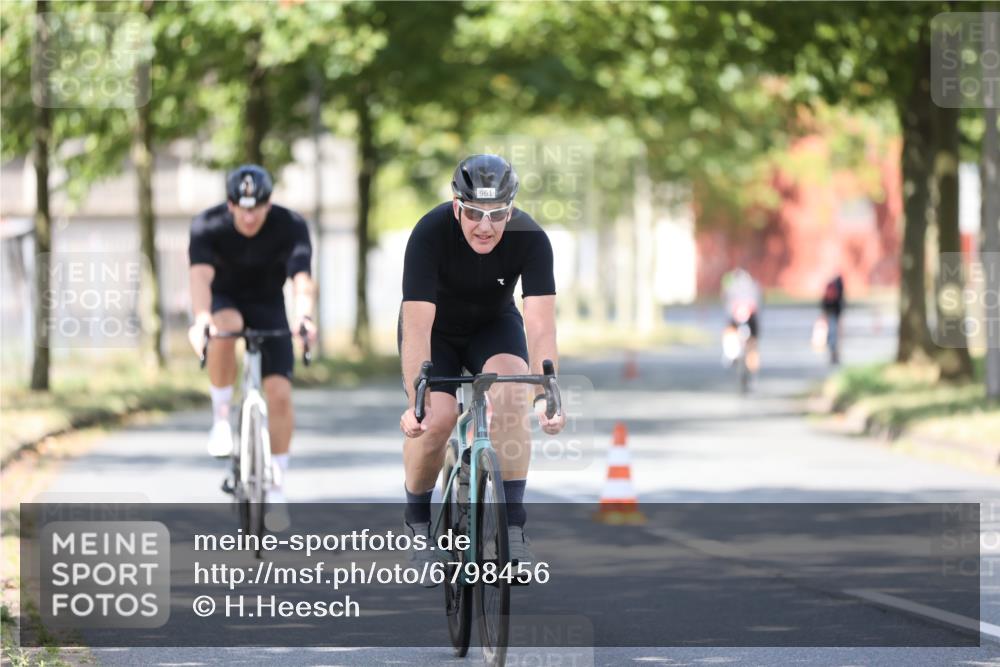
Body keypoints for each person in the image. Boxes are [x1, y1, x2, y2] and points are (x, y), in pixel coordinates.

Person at [398, 154, 566, 584]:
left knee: (513, 394)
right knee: (437, 418)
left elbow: (541, 324)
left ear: (511, 210)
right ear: (457, 207)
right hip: (436, 330)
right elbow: (417, 325)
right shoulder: (430, 233)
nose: (485, 226)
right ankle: (418, 523)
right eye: (473, 213)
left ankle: (514, 530)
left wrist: (548, 392)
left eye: (497, 215)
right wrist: (416, 397)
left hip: (493, 327)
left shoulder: (532, 238)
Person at [187, 164, 317, 530]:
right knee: (225, 327)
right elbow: (199, 277)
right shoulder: (206, 225)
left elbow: (302, 279)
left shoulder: (290, 224)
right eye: (241, 207)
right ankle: (221, 417)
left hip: (267, 304)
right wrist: (200, 320)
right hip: (224, 300)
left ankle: (276, 485)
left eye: (256, 207)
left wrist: (305, 317)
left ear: (268, 202)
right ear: (229, 204)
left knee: (279, 393)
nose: (248, 215)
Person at [720, 266, 762, 374]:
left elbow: (725, 301)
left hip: (740, 318)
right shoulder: (754, 286)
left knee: (730, 332)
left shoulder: (732, 286)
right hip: (748, 318)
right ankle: (752, 370)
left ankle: (732, 355)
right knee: (752, 344)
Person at [820, 274, 845, 365]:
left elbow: (824, 303)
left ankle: (833, 354)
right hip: (834, 316)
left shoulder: (831, 290)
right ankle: (834, 355)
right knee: (834, 336)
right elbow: (839, 306)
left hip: (830, 315)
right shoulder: (838, 291)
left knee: (831, 335)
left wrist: (824, 315)